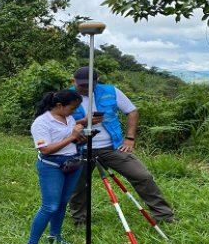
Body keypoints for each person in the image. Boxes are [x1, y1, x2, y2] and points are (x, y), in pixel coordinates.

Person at [68, 67, 176, 225]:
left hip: (111, 147)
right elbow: (57, 123)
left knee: (142, 176)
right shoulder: (65, 97)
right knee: (78, 185)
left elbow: (132, 111)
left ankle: (164, 216)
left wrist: (130, 138)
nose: (86, 88)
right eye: (82, 85)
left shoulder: (111, 91)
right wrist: (83, 121)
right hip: (80, 148)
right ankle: (80, 220)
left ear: (97, 81)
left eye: (90, 85)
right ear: (73, 81)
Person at [23, 89, 85, 244]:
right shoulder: (41, 123)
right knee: (50, 206)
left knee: (63, 202)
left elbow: (70, 140)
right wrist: (72, 136)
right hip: (52, 166)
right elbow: (46, 149)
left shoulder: (69, 118)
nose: (74, 112)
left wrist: (80, 138)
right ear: (59, 105)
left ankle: (54, 236)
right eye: (72, 108)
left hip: (72, 164)